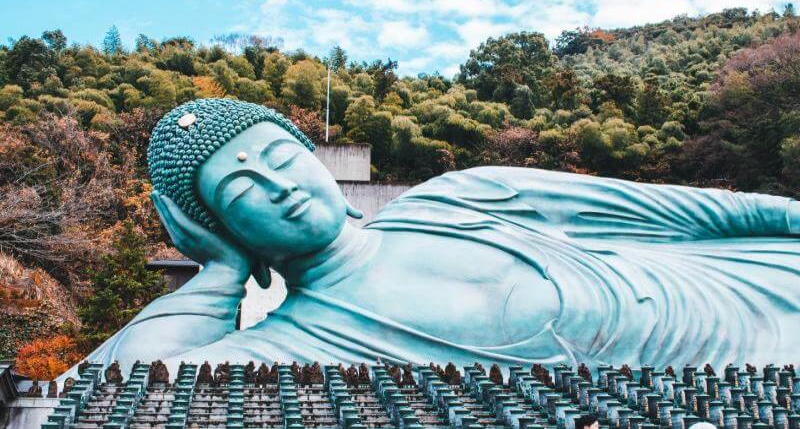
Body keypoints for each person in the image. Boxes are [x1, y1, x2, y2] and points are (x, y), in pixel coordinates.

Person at [60, 99, 800, 380]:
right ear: (217, 226)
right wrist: (218, 273)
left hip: (759, 288)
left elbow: (694, 213)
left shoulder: (461, 195)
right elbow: (122, 395)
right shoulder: (296, 345)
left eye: (282, 157)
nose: (279, 184)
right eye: (241, 191)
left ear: (314, 157)